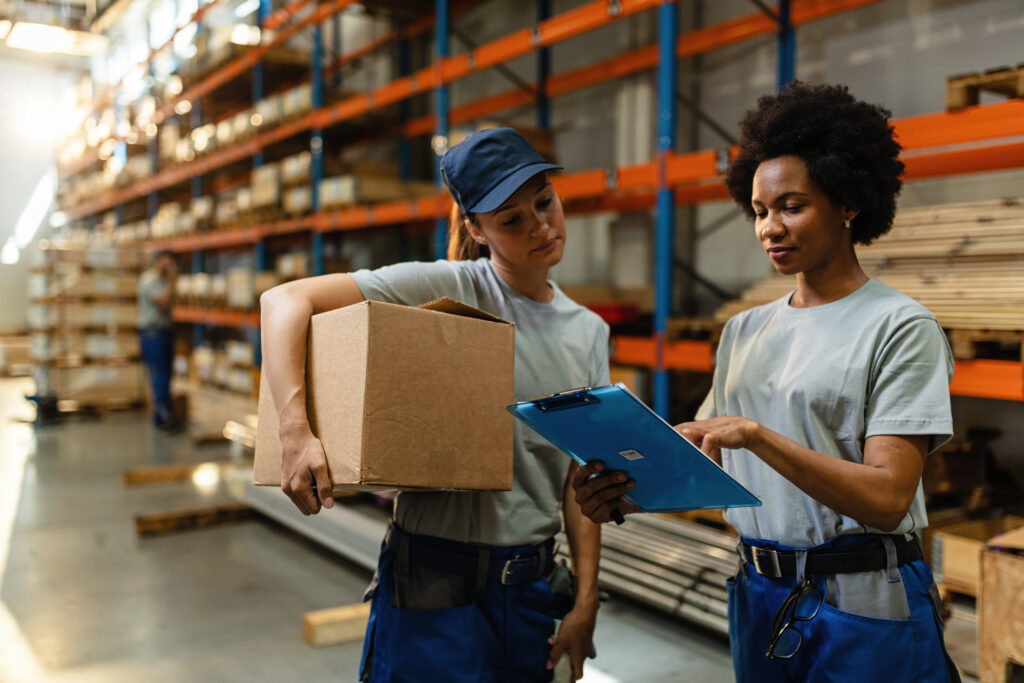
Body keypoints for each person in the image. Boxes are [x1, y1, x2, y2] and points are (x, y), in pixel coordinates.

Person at [570, 82, 961, 682]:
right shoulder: (744, 330)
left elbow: (888, 498)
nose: (770, 228)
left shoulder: (900, 326)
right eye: (758, 212)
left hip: (861, 599)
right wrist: (625, 494)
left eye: (792, 206)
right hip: (759, 592)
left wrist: (756, 435)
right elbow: (708, 462)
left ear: (848, 202)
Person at [259, 127, 608, 682]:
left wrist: (586, 600)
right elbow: (283, 301)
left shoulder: (588, 332)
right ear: (477, 229)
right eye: (511, 220)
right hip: (434, 584)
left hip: (533, 590)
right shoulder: (449, 289)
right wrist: (294, 431)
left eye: (545, 203)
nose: (539, 226)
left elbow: (577, 480)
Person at [138, 250, 178, 430]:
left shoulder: (164, 282)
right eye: (166, 263)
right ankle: (161, 418)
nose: (169, 267)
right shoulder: (149, 281)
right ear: (157, 262)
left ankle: (164, 414)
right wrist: (172, 280)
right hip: (153, 334)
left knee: (167, 375)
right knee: (159, 375)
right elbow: (163, 301)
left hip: (165, 332)